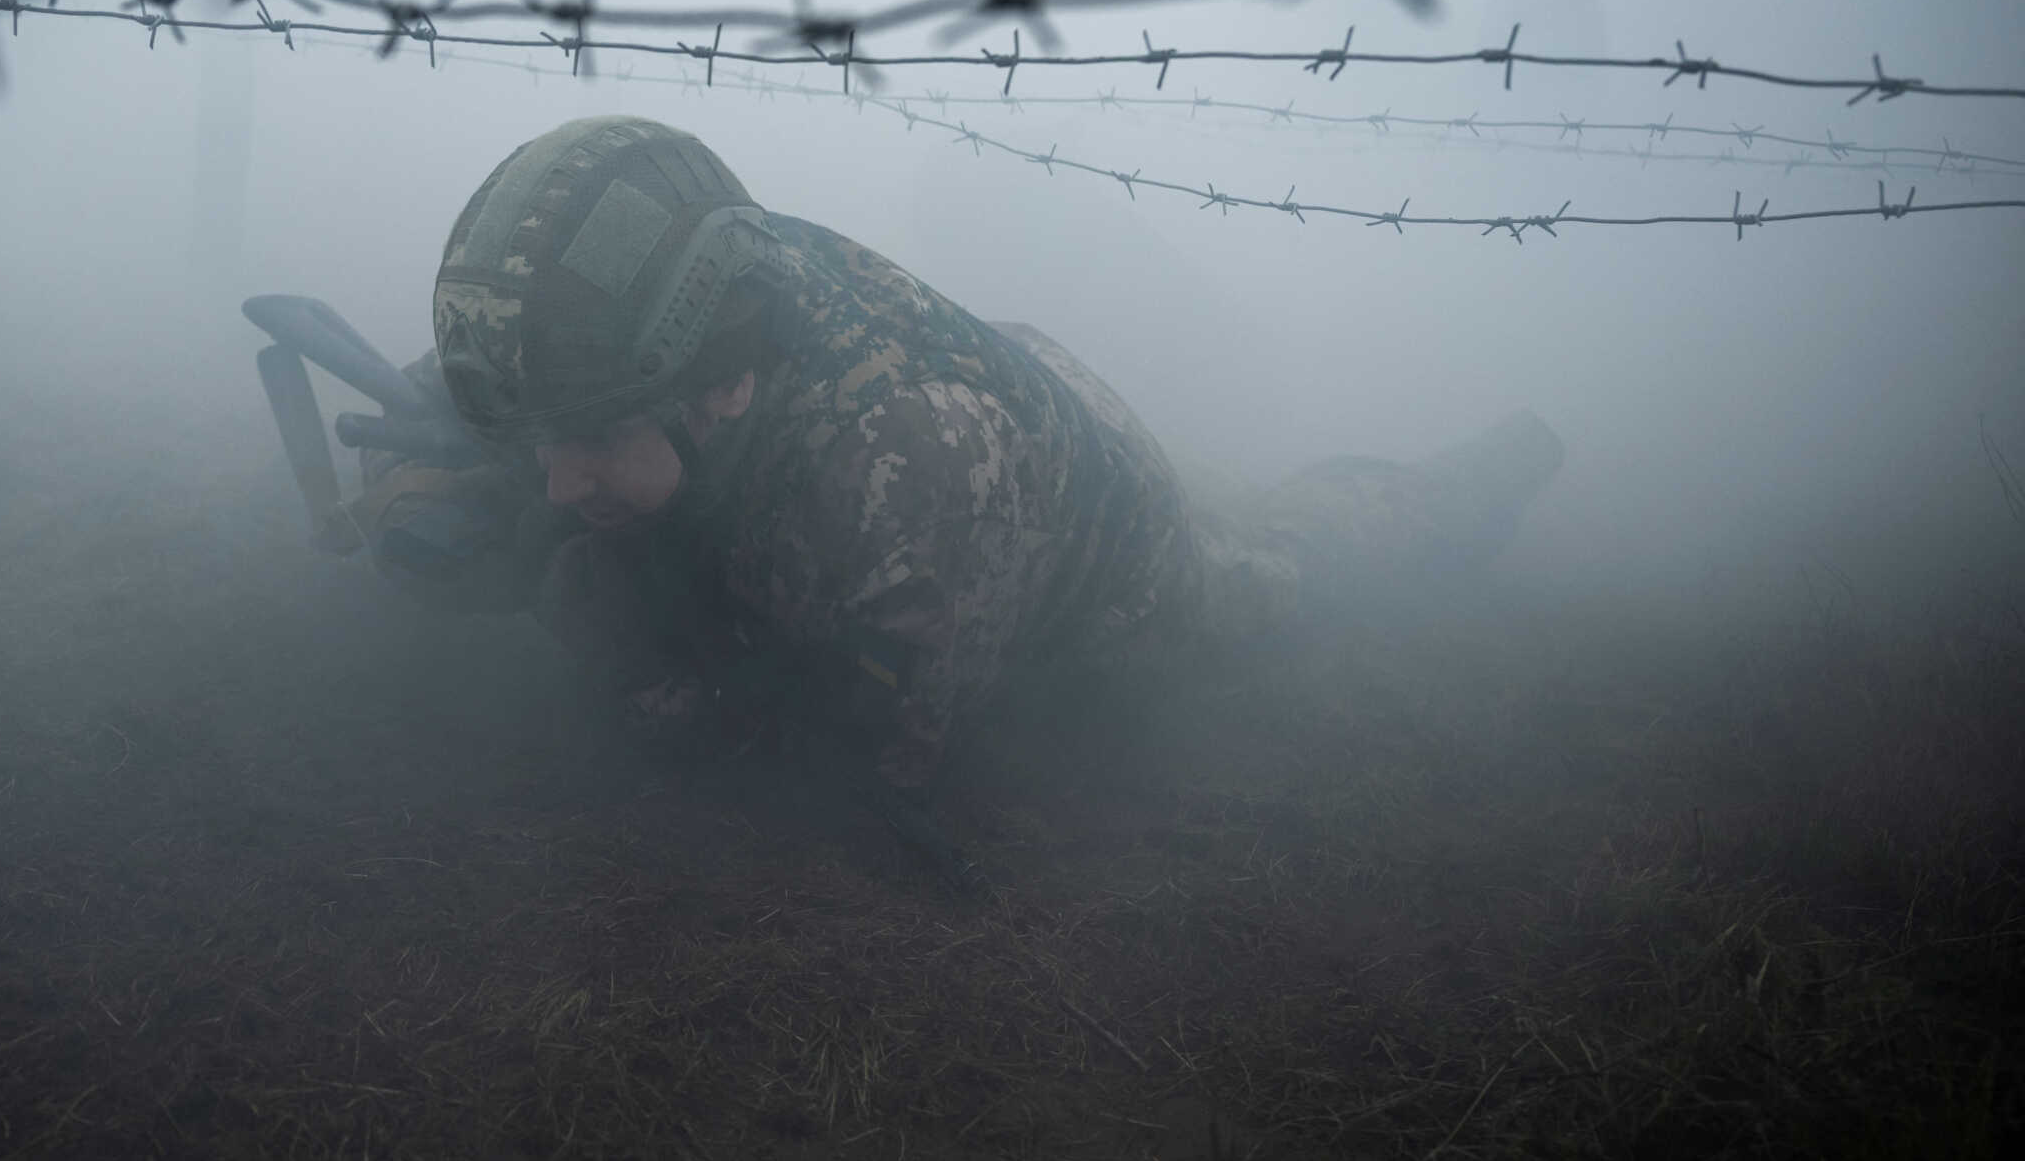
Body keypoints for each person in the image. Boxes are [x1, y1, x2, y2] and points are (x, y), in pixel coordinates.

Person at [350, 114, 1560, 813]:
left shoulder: (899, 503)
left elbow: (869, 757)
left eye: (594, 446)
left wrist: (634, 651)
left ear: (720, 387)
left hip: (1104, 545)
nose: (560, 480)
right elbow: (498, 377)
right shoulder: (668, 306)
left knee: (1289, 559)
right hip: (1013, 399)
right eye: (548, 446)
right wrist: (431, 485)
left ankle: (1488, 474)